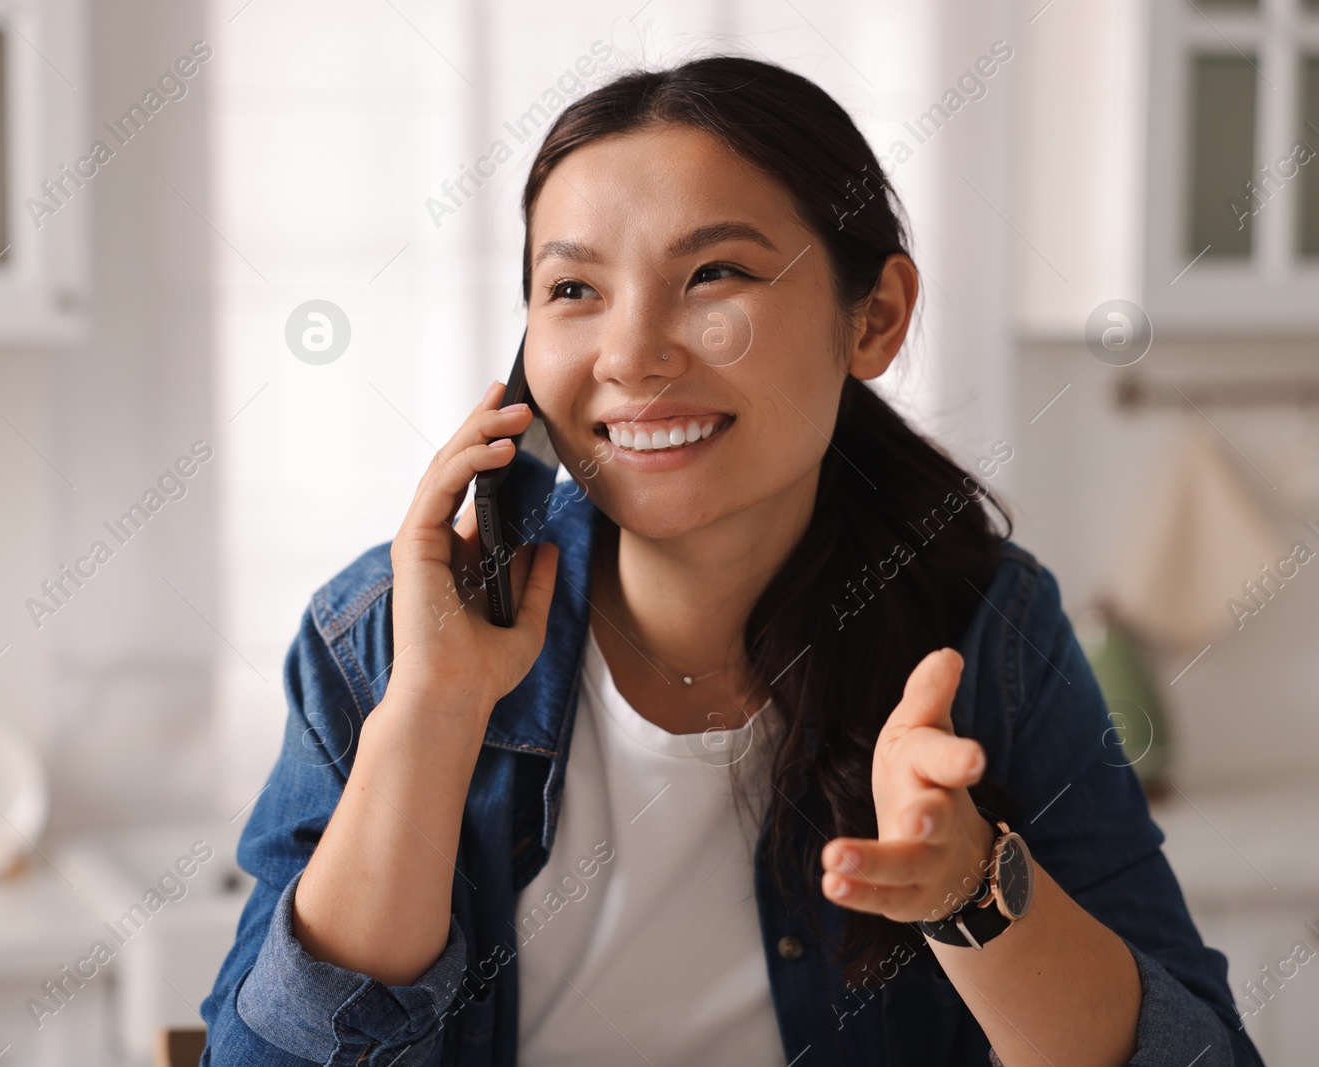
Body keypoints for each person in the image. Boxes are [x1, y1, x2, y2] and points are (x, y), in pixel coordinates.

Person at [200, 56, 1260, 1067]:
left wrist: (971, 889)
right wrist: (430, 709)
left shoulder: (983, 626)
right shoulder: (384, 633)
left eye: (713, 273)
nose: (630, 354)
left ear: (875, 315)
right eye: (573, 290)